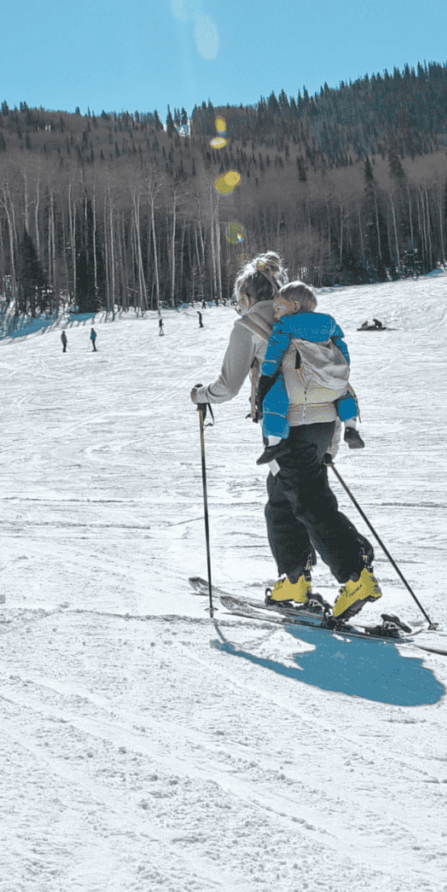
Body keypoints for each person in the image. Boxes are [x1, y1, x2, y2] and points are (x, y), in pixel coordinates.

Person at [190, 252, 382, 622]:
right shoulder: (299, 319)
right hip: (326, 422)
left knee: (310, 502)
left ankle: (356, 576)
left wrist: (200, 395)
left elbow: (227, 386)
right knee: (281, 501)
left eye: (238, 298)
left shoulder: (248, 325)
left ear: (246, 296)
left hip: (289, 426)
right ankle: (294, 580)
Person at [255, 280, 363, 466]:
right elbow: (342, 350)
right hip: (328, 384)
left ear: (295, 306)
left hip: (299, 384)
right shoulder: (329, 323)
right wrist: (338, 371)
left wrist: (265, 379)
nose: (276, 312)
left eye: (279, 307)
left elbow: (274, 354)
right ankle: (351, 427)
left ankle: (274, 444)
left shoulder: (285, 324)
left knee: (273, 400)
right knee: (346, 393)